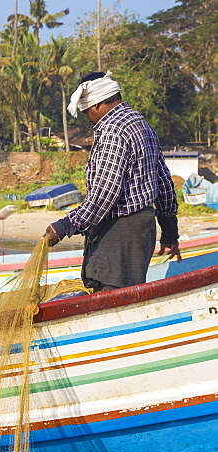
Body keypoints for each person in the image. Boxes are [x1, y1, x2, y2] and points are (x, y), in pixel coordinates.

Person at [43, 71, 181, 291]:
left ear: (97, 104)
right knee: (128, 294)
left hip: (121, 230)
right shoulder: (141, 123)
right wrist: (169, 229)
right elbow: (163, 181)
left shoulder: (112, 130)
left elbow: (105, 192)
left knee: (111, 296)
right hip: (142, 228)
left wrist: (65, 226)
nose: (87, 116)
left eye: (87, 109)